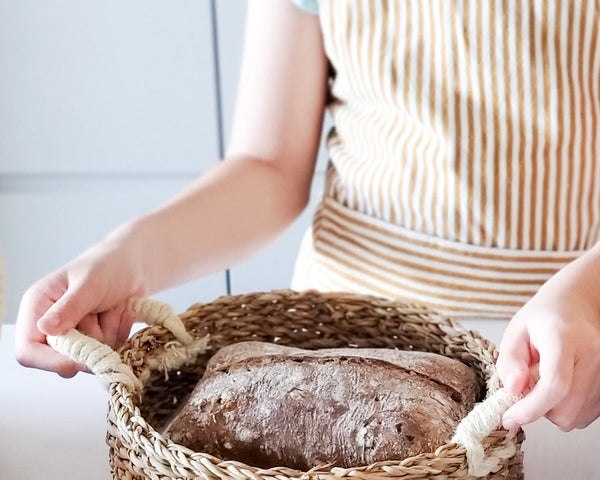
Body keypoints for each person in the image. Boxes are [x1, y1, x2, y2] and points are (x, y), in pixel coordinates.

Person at [15, 0, 600, 435]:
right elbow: (268, 164)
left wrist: (590, 297)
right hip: (341, 350)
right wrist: (127, 258)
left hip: (570, 357)